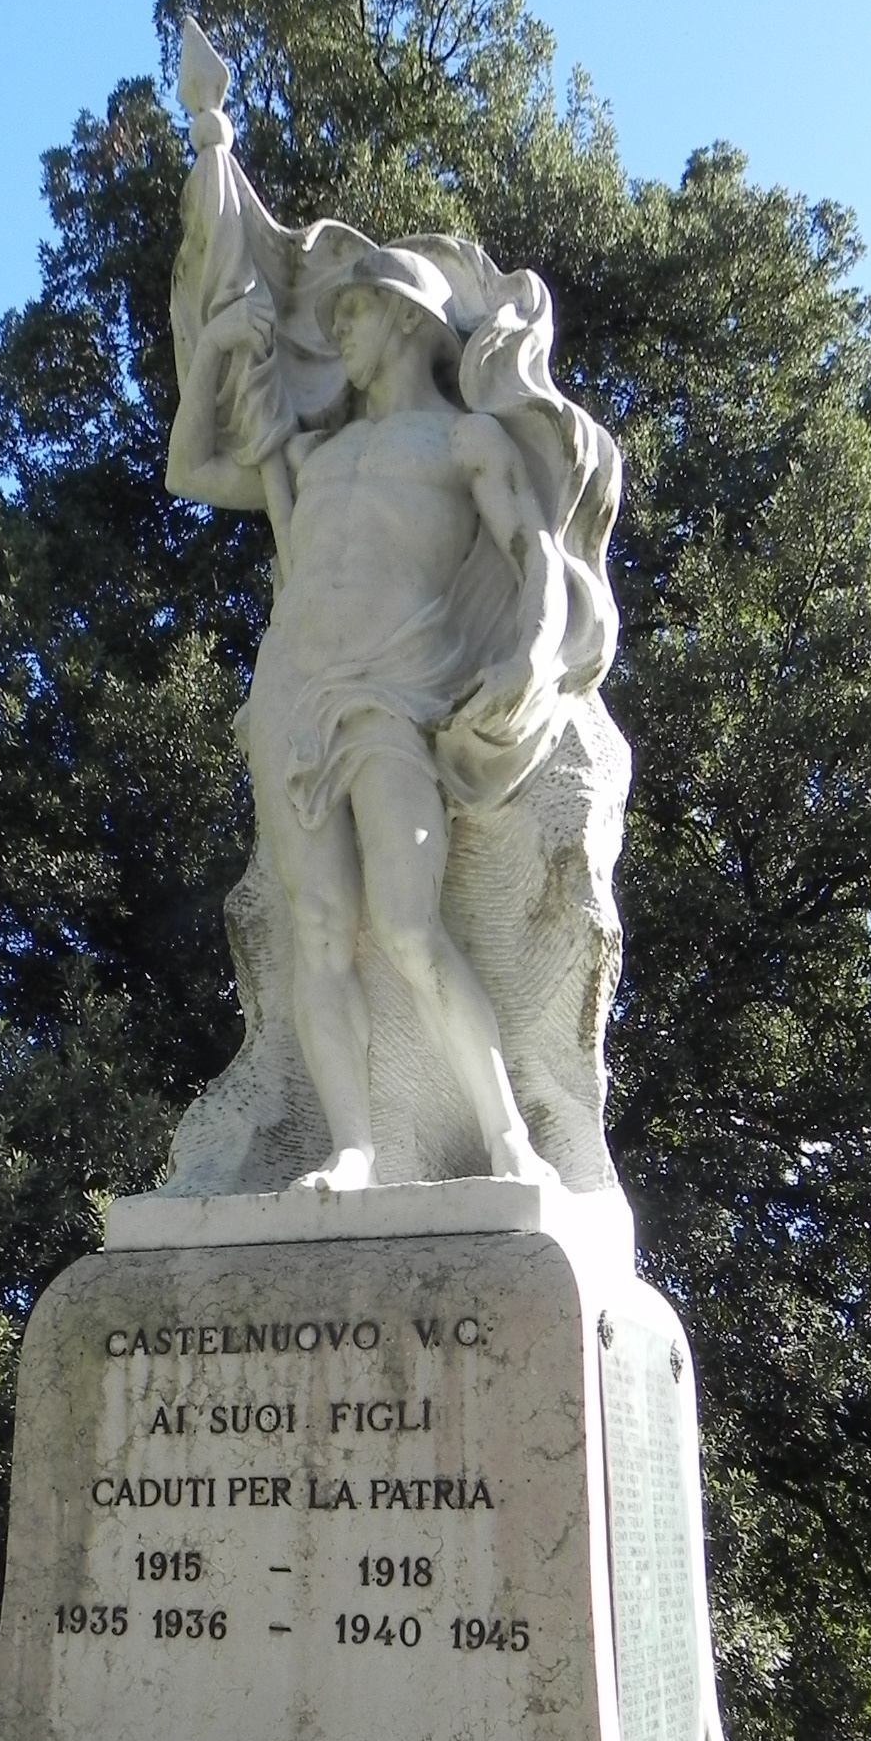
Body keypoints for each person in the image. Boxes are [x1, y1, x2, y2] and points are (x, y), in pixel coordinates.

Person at [167, 246, 568, 1191]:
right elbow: (190, 471)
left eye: (352, 314)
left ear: (406, 319)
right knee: (317, 927)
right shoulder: (311, 453)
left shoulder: (468, 443)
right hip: (293, 695)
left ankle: (508, 1139)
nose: (335, 331)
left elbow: (534, 551)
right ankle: (353, 1149)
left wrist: (531, 652)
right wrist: (221, 346)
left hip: (396, 694)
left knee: (407, 924)